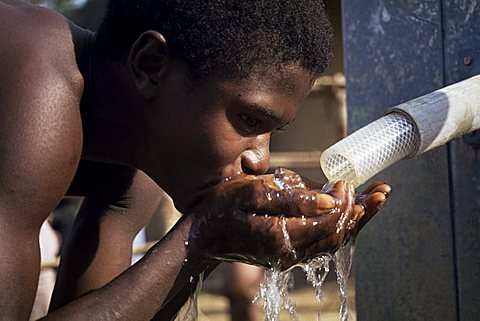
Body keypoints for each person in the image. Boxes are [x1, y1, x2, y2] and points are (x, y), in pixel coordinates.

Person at [0, 1, 391, 320]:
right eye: (250, 120)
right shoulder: (32, 84)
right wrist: (201, 236)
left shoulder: (141, 160)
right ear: (151, 64)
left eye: (274, 131)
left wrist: (218, 243)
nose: (261, 160)